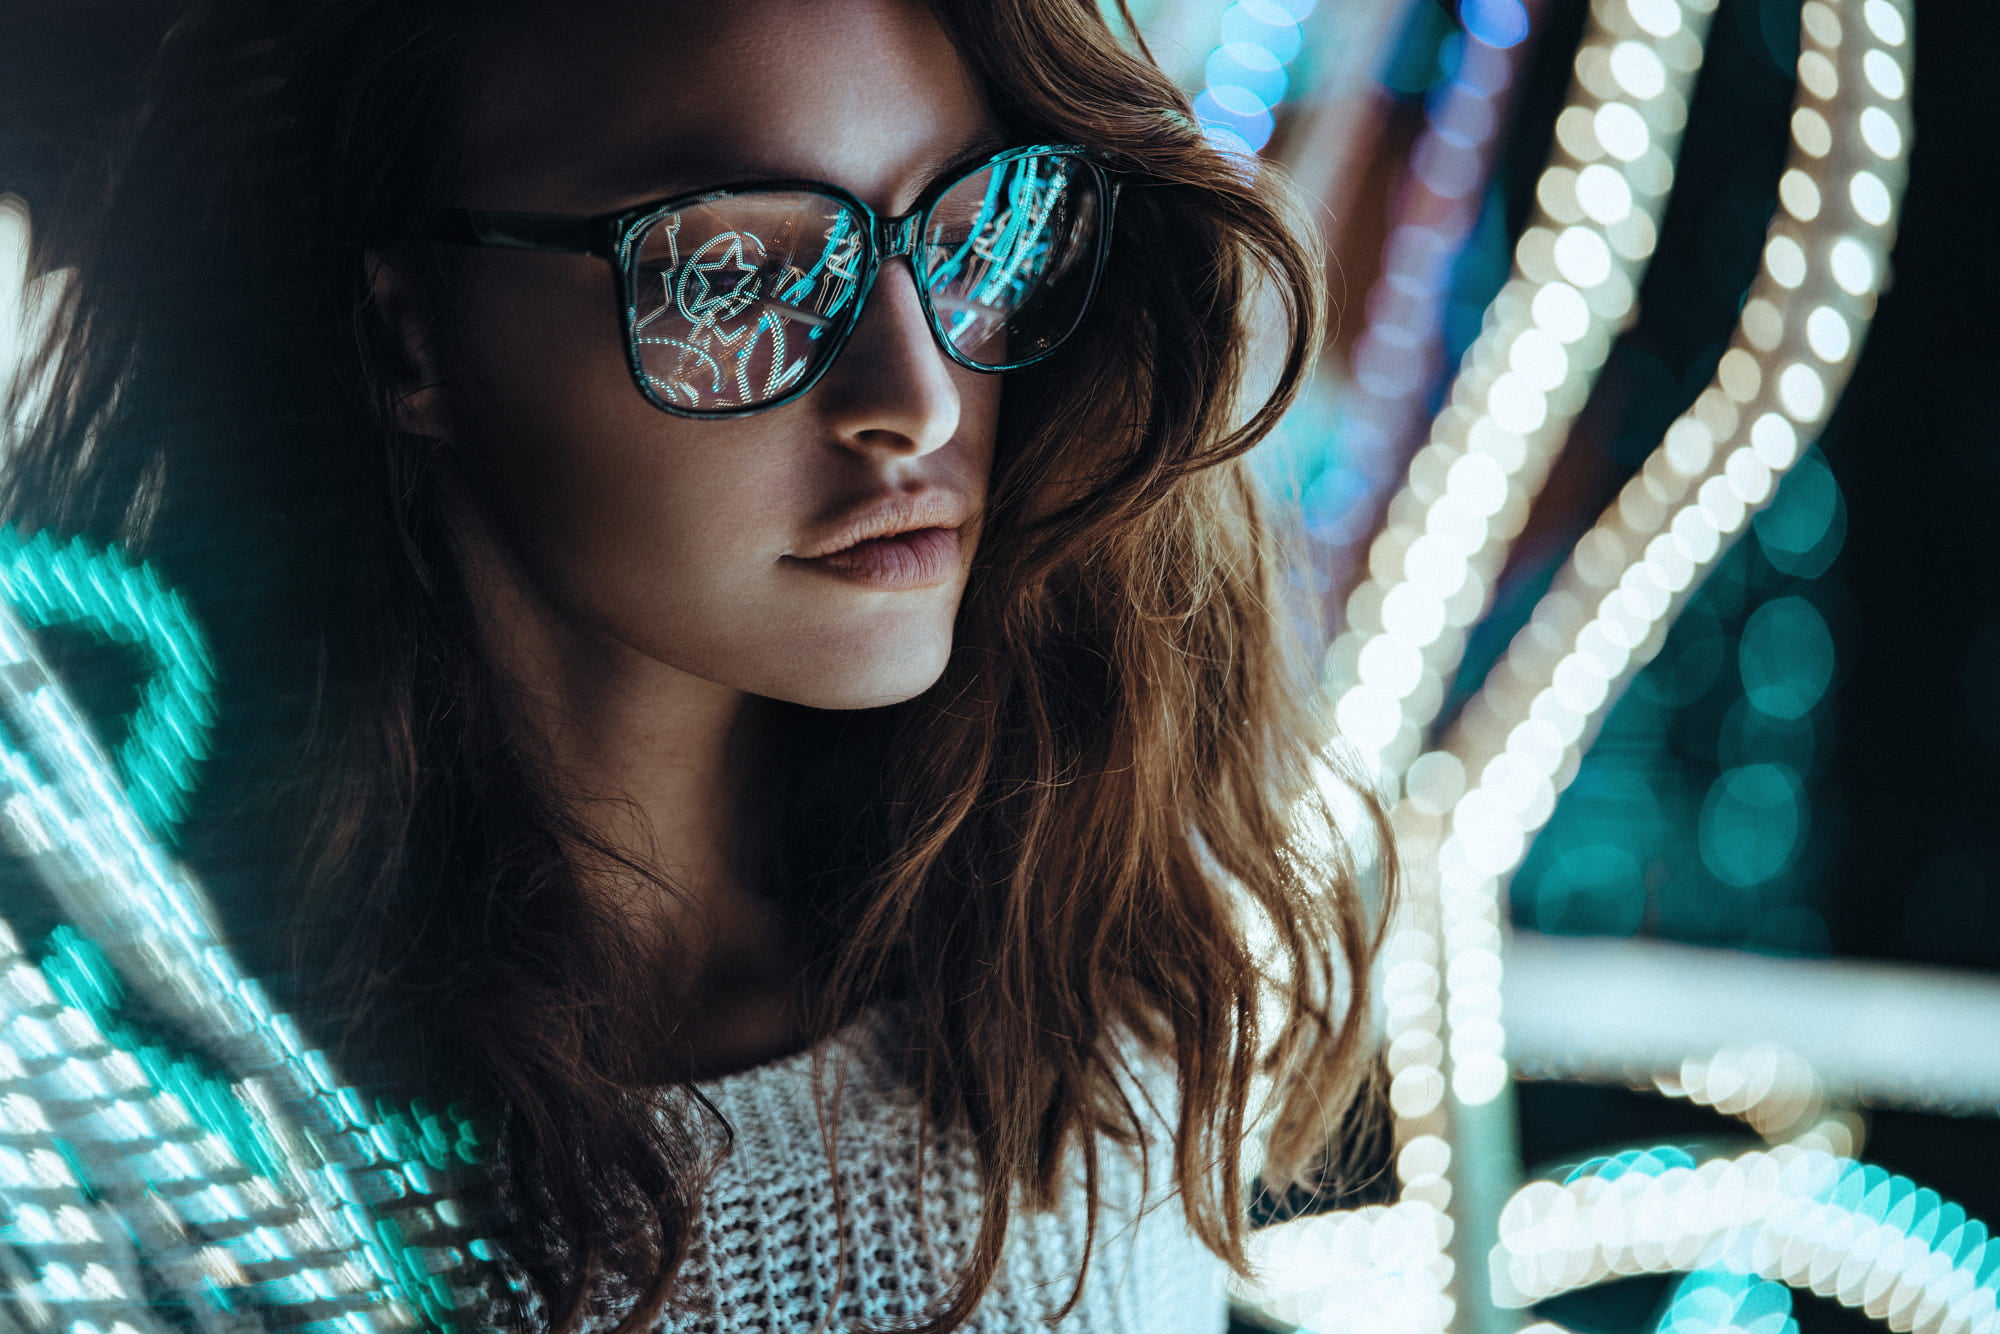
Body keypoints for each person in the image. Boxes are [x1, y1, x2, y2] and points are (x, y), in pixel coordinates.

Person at [0, 0, 1388, 1329]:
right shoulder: (196, 1161)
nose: (914, 400)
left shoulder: (1084, 962)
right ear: (406, 333)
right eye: (735, 272)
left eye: (977, 231)